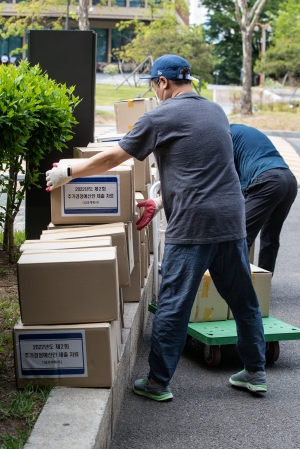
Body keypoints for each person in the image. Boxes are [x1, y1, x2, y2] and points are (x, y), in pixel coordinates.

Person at [46, 54, 267, 401]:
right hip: (231, 219)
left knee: (173, 306)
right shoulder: (215, 112)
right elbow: (201, 166)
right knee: (244, 301)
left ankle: (157, 382)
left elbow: (113, 158)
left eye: (154, 84)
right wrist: (161, 200)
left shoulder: (161, 115)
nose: (155, 90)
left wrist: (69, 173)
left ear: (163, 82)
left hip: (193, 224)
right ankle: (255, 372)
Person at [230, 124, 298, 274]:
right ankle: (264, 281)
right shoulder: (244, 131)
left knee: (239, 235)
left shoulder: (225, 136)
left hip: (267, 181)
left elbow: (233, 178)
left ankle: (238, 284)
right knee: (270, 236)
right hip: (289, 180)